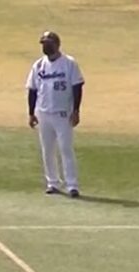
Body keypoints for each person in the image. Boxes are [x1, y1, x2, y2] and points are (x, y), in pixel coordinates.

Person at [25, 31, 84, 198]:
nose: (45, 46)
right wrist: (31, 113)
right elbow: (32, 90)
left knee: (65, 148)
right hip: (44, 113)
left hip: (63, 113)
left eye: (48, 43)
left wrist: (76, 110)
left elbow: (77, 87)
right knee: (47, 149)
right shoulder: (38, 65)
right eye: (43, 43)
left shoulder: (69, 63)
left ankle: (72, 185)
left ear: (57, 44)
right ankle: (52, 182)